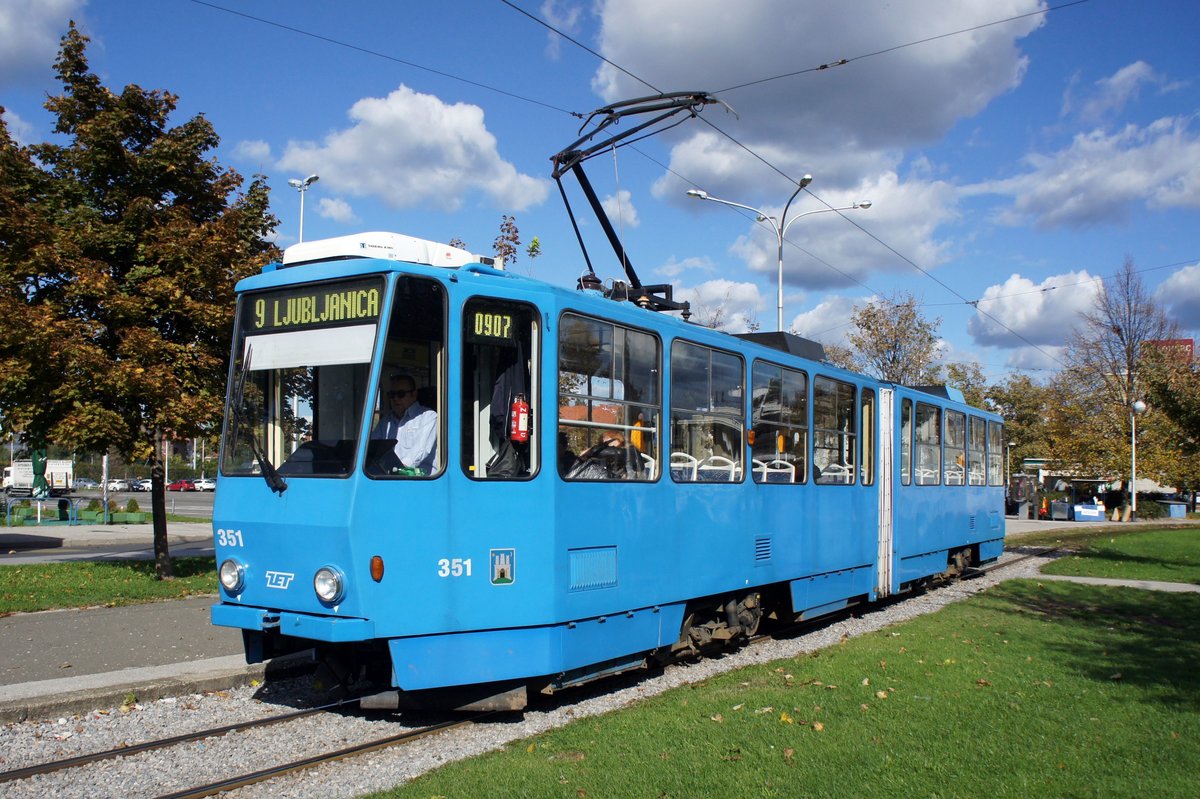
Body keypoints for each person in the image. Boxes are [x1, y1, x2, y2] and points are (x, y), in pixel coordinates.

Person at [371, 373, 437, 475]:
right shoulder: (386, 422)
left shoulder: (428, 417)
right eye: (392, 395)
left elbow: (421, 449)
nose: (395, 398)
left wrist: (400, 469)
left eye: (401, 394)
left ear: (414, 395)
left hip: (422, 479)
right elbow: (373, 447)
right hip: (391, 477)